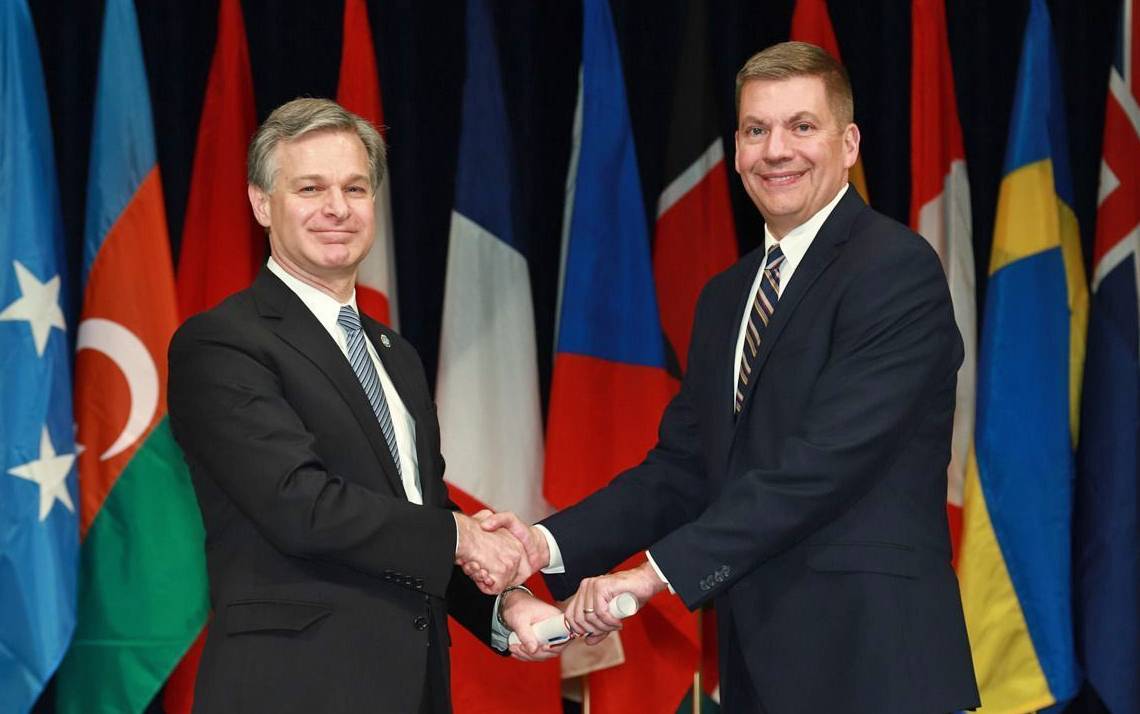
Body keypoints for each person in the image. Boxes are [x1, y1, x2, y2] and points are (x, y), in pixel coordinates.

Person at [479, 42, 980, 713]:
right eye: (755, 130)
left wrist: (652, 576)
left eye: (802, 127)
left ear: (850, 143)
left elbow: (821, 466)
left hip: (873, 666)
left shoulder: (894, 270)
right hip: (759, 670)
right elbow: (683, 470)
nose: (776, 150)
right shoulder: (726, 297)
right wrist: (540, 544)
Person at [167, 98, 559, 714]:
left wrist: (503, 605)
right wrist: (458, 535)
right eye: (310, 188)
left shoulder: (394, 354)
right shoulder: (223, 342)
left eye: (355, 187)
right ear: (261, 203)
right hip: (290, 692)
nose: (337, 209)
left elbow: (412, 516)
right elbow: (301, 504)